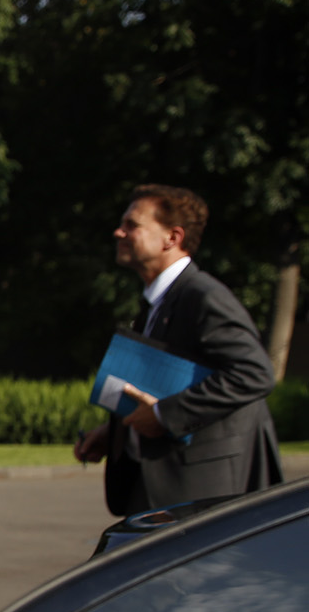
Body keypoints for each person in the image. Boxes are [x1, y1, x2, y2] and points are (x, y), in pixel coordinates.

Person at [74, 185, 281, 514]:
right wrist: (116, 431)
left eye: (131, 225)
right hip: (163, 489)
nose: (118, 232)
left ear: (172, 237)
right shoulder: (156, 302)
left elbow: (254, 373)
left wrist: (163, 415)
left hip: (205, 492)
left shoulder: (203, 296)